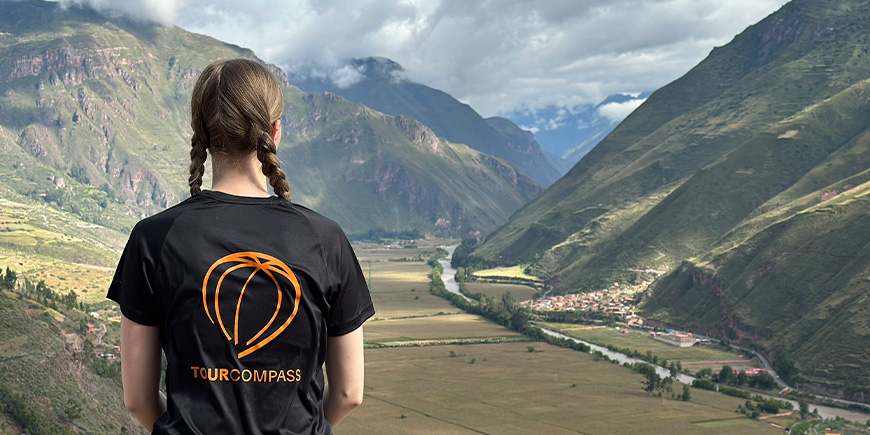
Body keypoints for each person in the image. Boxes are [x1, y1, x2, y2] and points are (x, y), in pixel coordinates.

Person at [107, 58, 375, 435]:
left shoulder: (154, 238)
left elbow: (138, 399)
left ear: (198, 131)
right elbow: (349, 393)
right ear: (275, 131)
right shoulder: (325, 238)